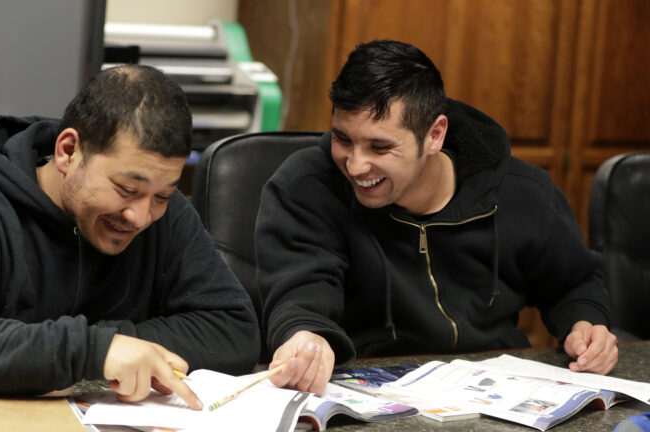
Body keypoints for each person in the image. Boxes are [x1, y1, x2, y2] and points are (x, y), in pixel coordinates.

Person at [256, 40, 618, 395]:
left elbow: (573, 282)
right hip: (371, 389)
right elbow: (301, 292)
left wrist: (585, 323)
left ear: (434, 135)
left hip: (496, 390)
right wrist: (304, 336)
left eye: (380, 147)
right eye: (343, 139)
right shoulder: (307, 186)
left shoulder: (520, 190)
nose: (355, 164)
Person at [0, 64, 260, 408]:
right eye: (126, 189)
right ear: (68, 152)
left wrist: (118, 350)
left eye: (162, 195)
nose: (141, 216)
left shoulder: (168, 216)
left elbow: (233, 330)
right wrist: (95, 352)